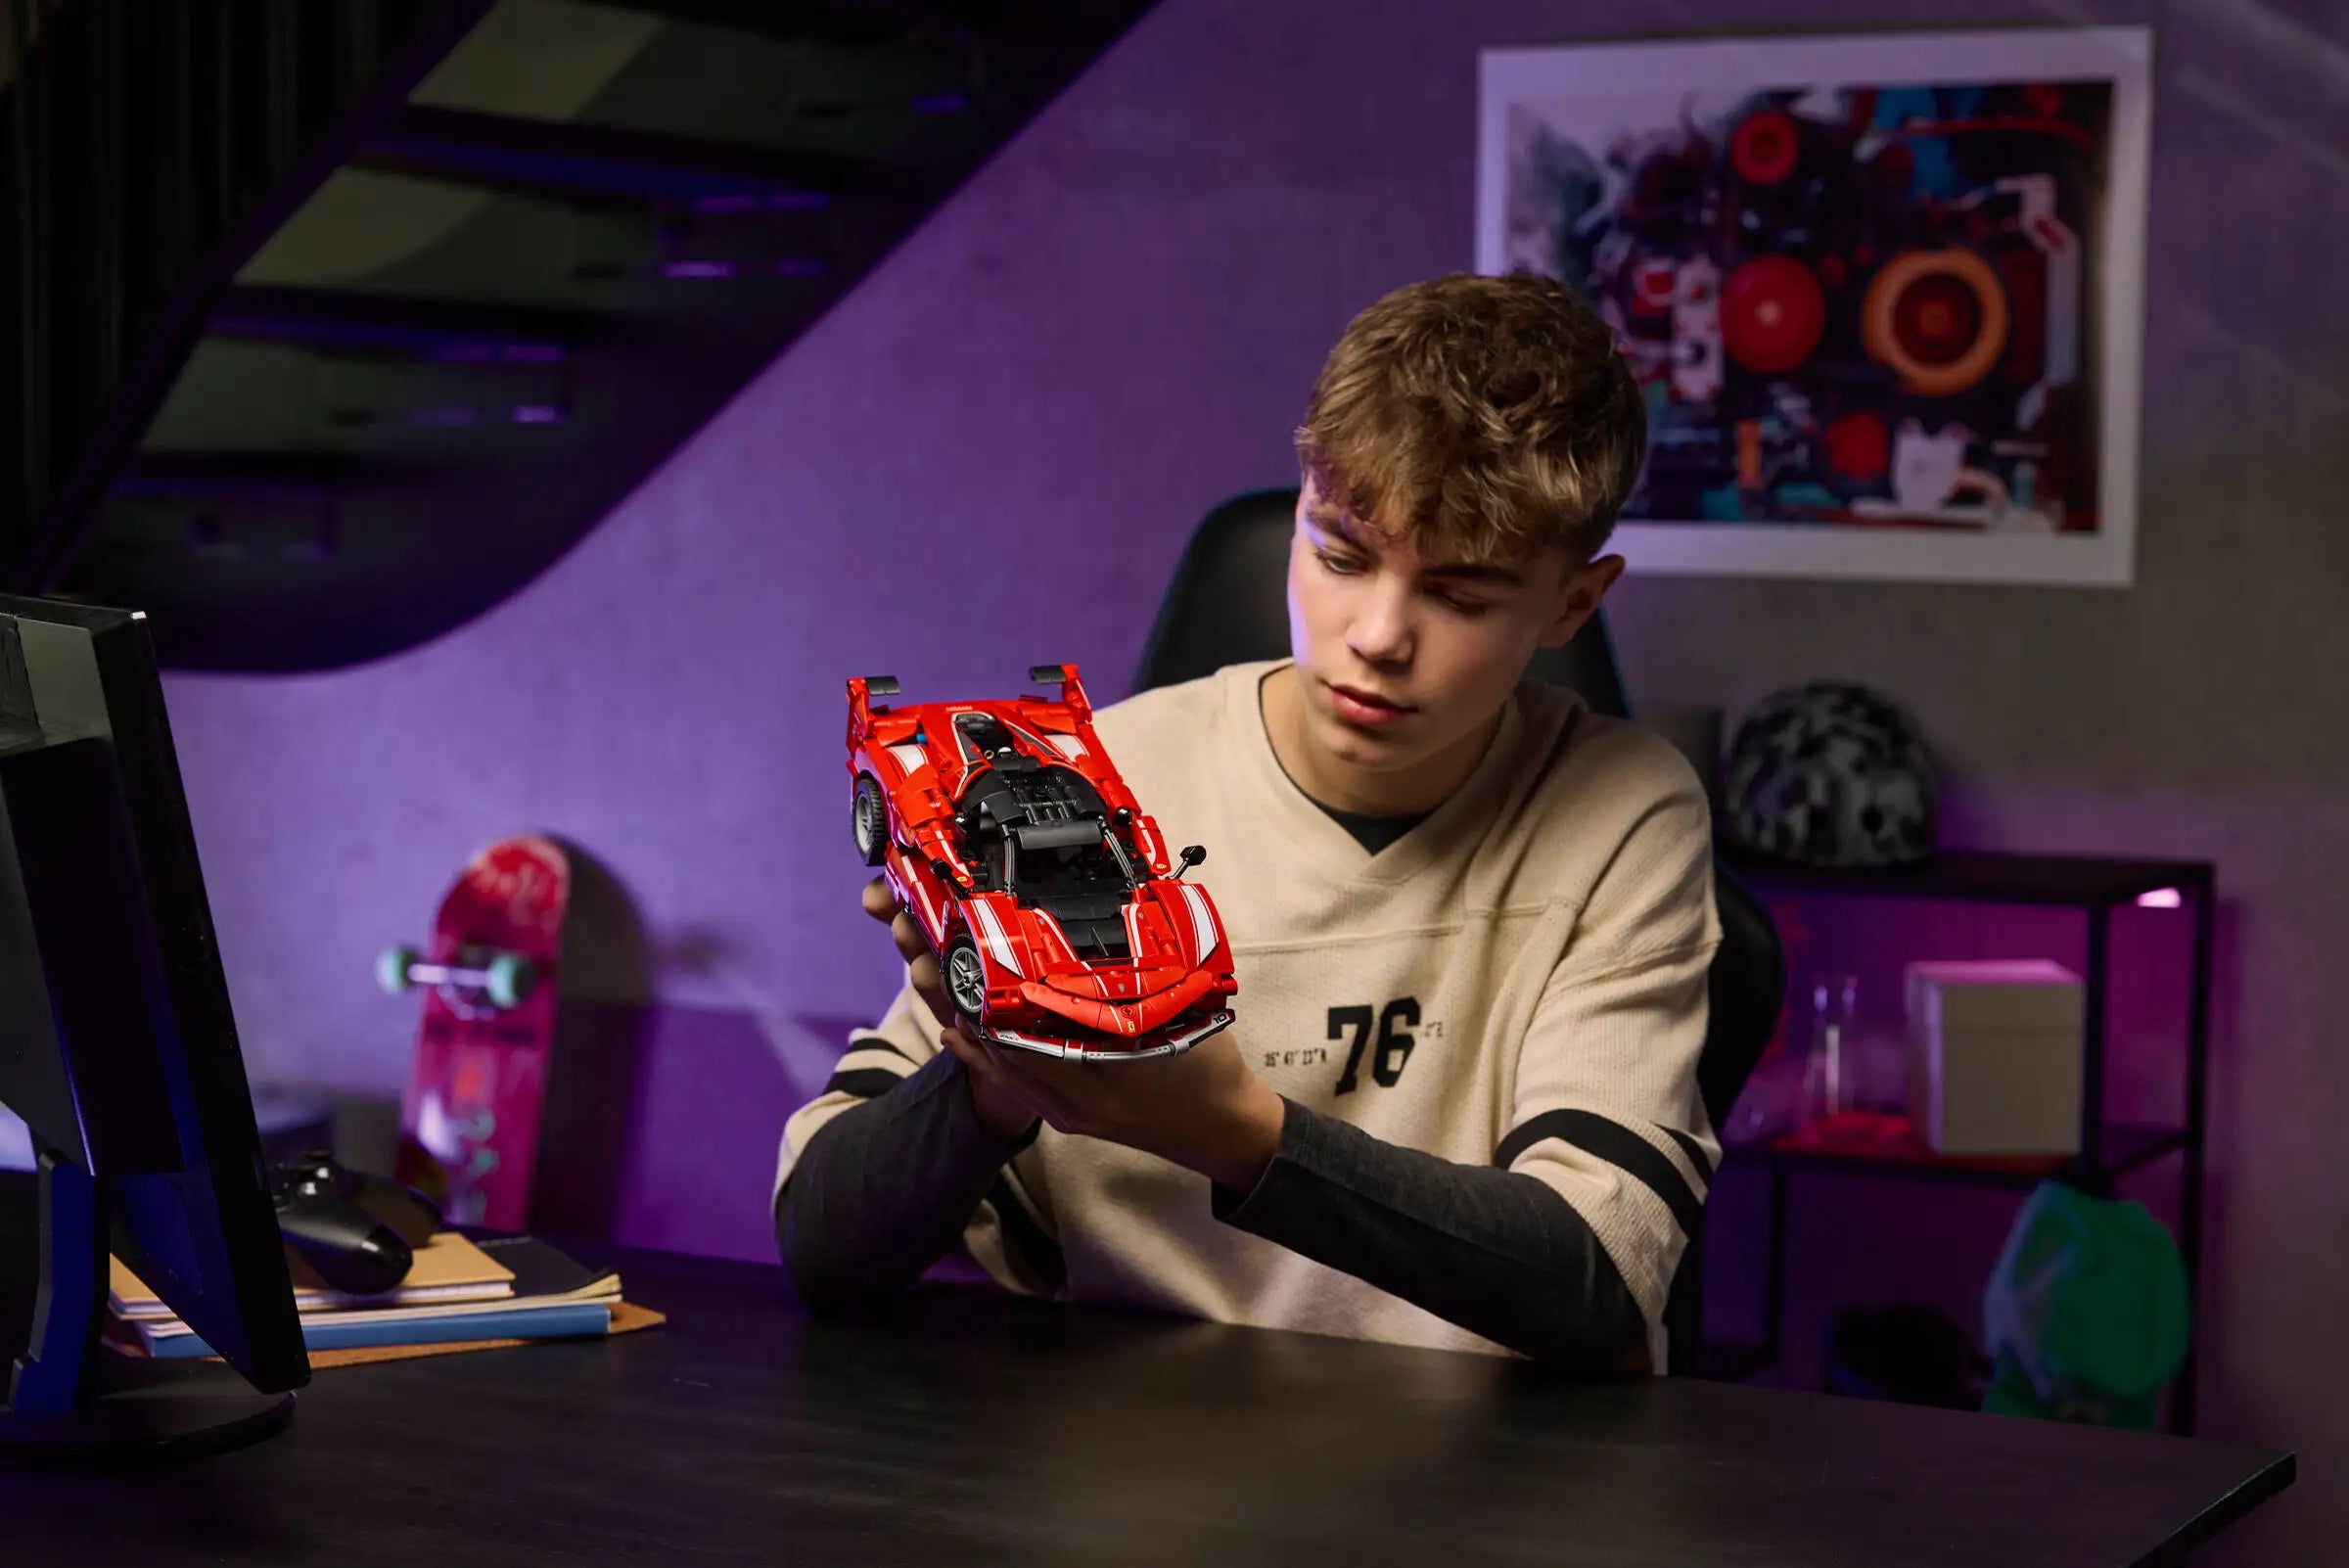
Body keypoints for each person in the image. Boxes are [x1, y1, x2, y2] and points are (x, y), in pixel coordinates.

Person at [773, 272, 1719, 1372]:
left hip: (1488, 1476)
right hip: (1116, 1451)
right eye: (1340, 554)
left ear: (1574, 604)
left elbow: (1599, 1281)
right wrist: (989, 1083)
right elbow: (822, 1245)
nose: (1376, 634)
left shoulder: (1624, 812)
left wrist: (1229, 1134)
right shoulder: (1099, 773)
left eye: (1460, 596)